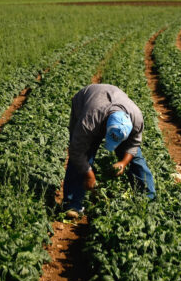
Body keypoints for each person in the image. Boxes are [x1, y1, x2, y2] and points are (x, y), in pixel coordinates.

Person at [63, 83, 156, 218]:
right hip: (85, 101)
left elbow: (134, 145)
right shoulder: (90, 120)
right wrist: (89, 174)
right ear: (105, 126)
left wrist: (123, 163)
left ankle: (148, 201)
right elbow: (76, 150)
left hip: (111, 100)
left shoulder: (136, 118)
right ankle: (73, 204)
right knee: (82, 155)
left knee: (137, 161)